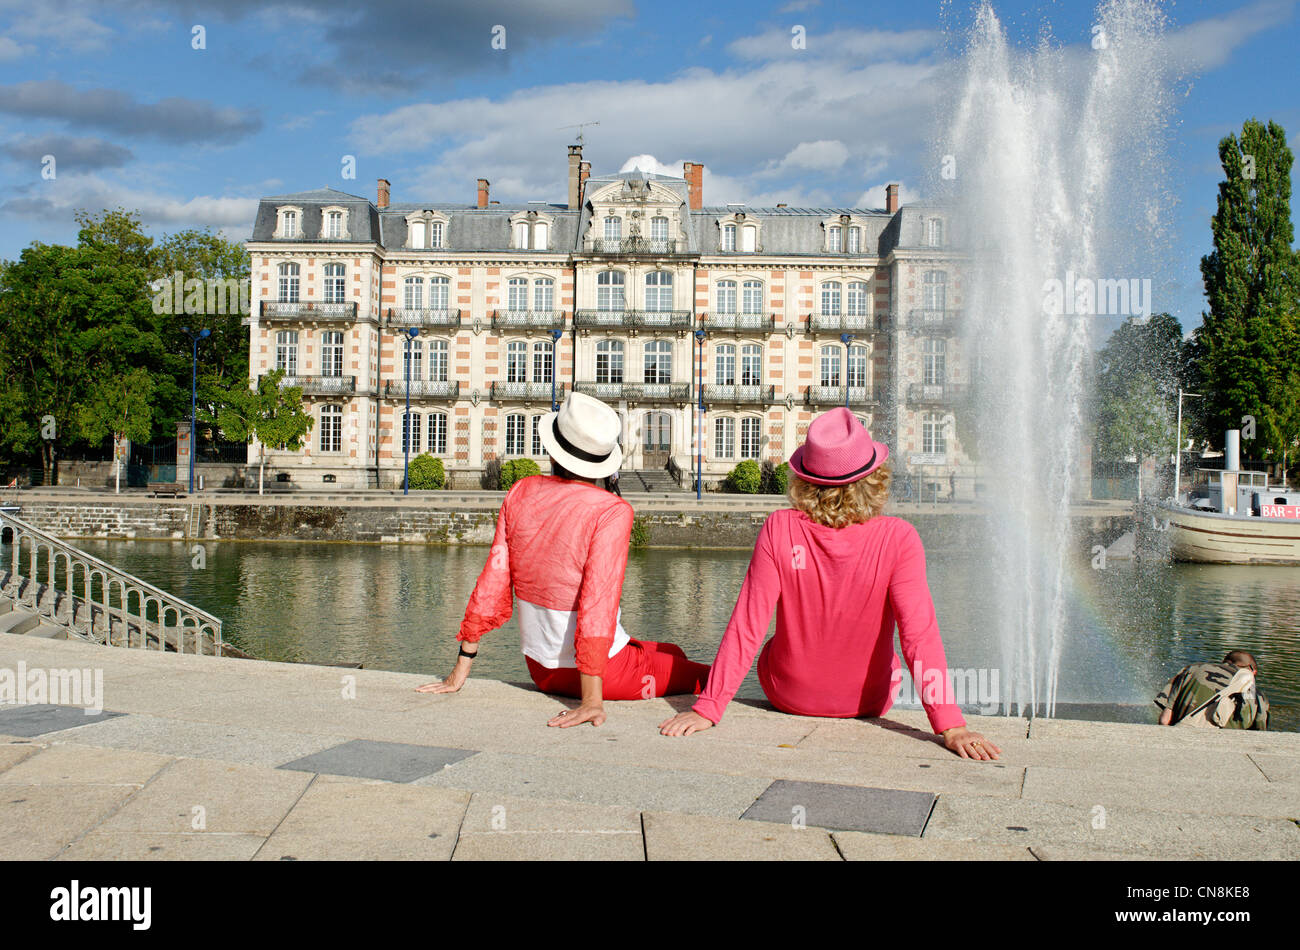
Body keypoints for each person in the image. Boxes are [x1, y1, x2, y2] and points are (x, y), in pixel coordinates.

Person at [659, 408, 1001, 760]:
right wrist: (950, 724)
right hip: (868, 701)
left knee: (772, 646)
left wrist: (709, 707)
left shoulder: (779, 527)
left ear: (805, 479)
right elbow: (919, 636)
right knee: (894, 658)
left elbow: (748, 625)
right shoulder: (900, 538)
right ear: (875, 477)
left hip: (789, 694)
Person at [417, 391, 710, 727]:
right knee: (706, 676)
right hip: (602, 673)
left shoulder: (521, 491)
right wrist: (592, 702)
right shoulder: (612, 511)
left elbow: (492, 581)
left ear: (553, 452)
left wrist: (459, 671)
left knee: (672, 651)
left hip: (542, 670)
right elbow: (598, 602)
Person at [1155, 651, 1269, 730]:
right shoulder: (1253, 690)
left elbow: (1165, 720)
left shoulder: (1192, 669)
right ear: (1252, 671)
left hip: (1180, 732)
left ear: (1225, 662)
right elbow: (1259, 732)